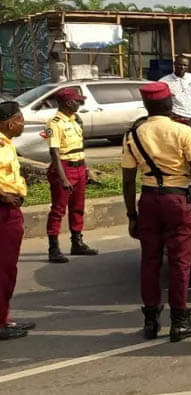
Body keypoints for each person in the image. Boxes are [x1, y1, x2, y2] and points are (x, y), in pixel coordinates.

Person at [121, 82, 191, 343]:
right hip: (176, 199)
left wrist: (131, 215)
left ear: (147, 105)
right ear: (169, 103)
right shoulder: (182, 131)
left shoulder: (133, 135)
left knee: (150, 260)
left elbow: (127, 179)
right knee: (180, 261)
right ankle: (180, 319)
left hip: (147, 200)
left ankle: (150, 318)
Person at [45, 88, 98, 263]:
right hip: (64, 168)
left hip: (79, 167)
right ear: (68, 102)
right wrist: (63, 178)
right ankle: (53, 249)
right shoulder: (55, 123)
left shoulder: (75, 120)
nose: (79, 103)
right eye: (77, 101)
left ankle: (77, 243)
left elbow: (79, 149)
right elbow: (54, 152)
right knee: (58, 210)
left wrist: (86, 169)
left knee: (78, 207)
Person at [0, 101, 35, 340]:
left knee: (8, 270)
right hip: (3, 211)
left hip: (11, 210)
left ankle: (4, 317)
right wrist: (2, 195)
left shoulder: (7, 143)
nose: (23, 124)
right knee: (2, 270)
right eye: (22, 119)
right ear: (12, 122)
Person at [160, 56, 191, 163]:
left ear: (188, 67)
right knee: (179, 146)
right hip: (177, 117)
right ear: (174, 65)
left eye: (185, 65)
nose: (182, 67)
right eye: (179, 64)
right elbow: (162, 100)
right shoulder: (164, 81)